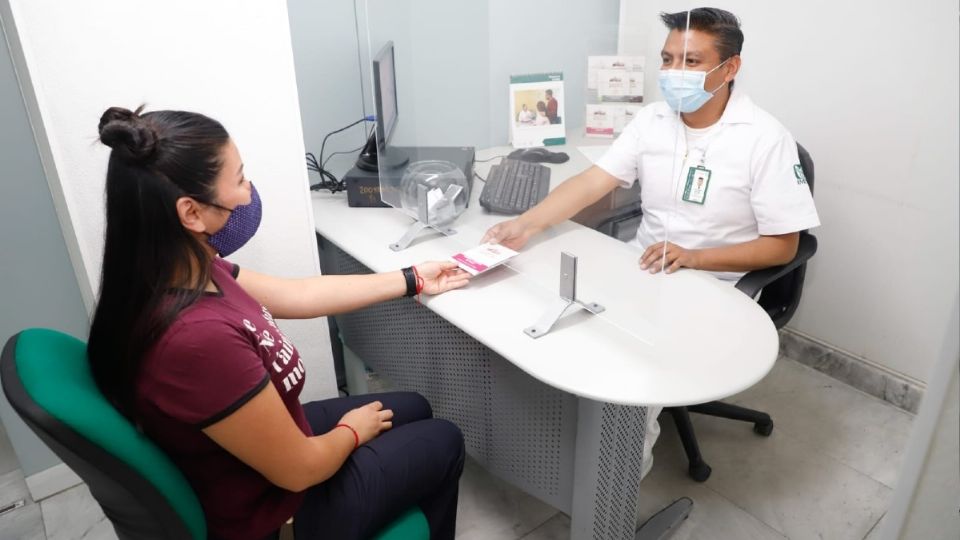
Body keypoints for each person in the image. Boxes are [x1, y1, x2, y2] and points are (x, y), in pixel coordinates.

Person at [87, 106, 472, 540]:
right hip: (277, 514)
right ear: (191, 212)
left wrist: (413, 279)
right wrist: (350, 433)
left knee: (414, 407)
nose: (248, 193)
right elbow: (301, 469)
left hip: (259, 460)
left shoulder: (183, 269)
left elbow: (297, 294)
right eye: (238, 179)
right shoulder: (196, 341)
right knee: (443, 440)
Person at [482, 8, 819, 478]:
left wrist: (695, 257)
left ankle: (611, 495)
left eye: (692, 61)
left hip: (715, 283)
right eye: (667, 59)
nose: (673, 73)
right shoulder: (653, 120)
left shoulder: (764, 139)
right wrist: (527, 223)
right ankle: (559, 453)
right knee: (555, 329)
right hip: (643, 267)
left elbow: (784, 247)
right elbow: (593, 182)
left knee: (630, 387)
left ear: (731, 68)